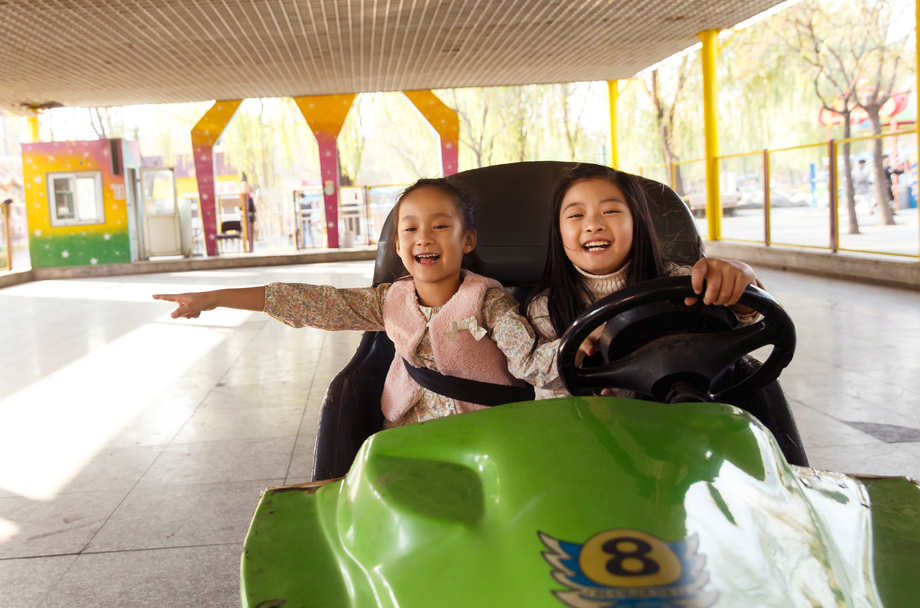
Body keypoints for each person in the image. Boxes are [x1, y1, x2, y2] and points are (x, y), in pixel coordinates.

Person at [153, 178, 559, 428]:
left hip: (487, 430)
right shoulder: (389, 301)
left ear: (467, 240)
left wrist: (580, 356)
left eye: (440, 226)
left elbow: (528, 360)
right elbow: (310, 302)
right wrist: (215, 299)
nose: (425, 237)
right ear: (398, 245)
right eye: (411, 228)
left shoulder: (491, 303)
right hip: (407, 433)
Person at [525, 163, 760, 400]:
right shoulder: (547, 308)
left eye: (610, 211)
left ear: (637, 222)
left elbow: (740, 324)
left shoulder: (679, 283)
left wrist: (741, 285)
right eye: (576, 215)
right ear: (558, 231)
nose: (593, 225)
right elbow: (547, 390)